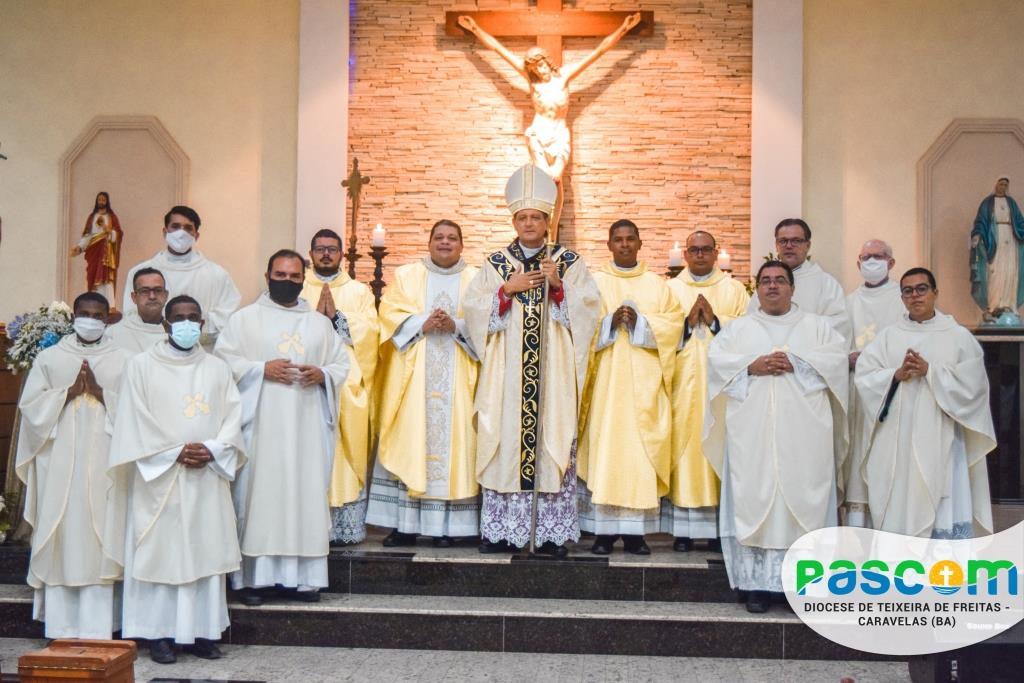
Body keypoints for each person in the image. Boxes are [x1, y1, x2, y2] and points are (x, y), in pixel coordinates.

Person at [464, 164, 600, 557]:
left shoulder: (568, 262)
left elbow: (590, 311)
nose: (528, 224)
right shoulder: (496, 264)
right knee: (504, 443)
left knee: (550, 441)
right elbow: (473, 312)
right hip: (506, 378)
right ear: (514, 221)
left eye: (535, 217)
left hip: (553, 376)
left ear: (546, 221)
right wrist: (506, 290)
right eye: (522, 217)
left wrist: (558, 288)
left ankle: (549, 534)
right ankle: (501, 531)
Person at [105, 295, 246, 664]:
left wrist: (213, 449)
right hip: (160, 479)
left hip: (206, 476)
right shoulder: (140, 366)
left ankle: (202, 631)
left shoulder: (217, 368)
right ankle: (159, 634)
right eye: (179, 317)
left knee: (204, 551)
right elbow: (132, 419)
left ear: (202, 324)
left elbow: (233, 417)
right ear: (166, 325)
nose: (186, 323)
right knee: (162, 554)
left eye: (193, 317)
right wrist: (172, 453)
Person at [705, 261, 847, 613]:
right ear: (757, 289)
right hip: (752, 435)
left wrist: (798, 363)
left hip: (805, 436)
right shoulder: (738, 330)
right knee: (755, 498)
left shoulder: (818, 327)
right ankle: (757, 586)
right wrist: (750, 366)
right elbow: (716, 363)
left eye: (780, 280)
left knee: (804, 499)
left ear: (792, 288)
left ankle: (804, 583)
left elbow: (836, 362)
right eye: (766, 281)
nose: (772, 286)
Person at [216, 249, 348, 605]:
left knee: (304, 497)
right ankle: (255, 581)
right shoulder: (244, 320)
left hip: (307, 427)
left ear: (303, 280)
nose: (287, 282)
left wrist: (322, 374)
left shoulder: (319, 324)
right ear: (267, 276)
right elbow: (224, 362)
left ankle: (303, 580)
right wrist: (261, 369)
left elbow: (341, 364)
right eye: (280, 275)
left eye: (294, 277)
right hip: (260, 427)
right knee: (259, 498)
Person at [456, 12, 642, 227]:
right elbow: (499, 50)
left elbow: (599, 51)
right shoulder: (532, 82)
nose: (540, 71)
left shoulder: (564, 76)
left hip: (559, 135)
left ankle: (551, 233)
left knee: (556, 179)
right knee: (545, 180)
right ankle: (542, 229)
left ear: (547, 61)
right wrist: (475, 29)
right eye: (535, 69)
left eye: (542, 65)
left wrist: (624, 28)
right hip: (538, 133)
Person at [16, 292, 129, 638]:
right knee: (61, 531)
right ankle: (61, 625)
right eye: (84, 313)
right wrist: (67, 393)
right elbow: (30, 408)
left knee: (103, 534)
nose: (91, 320)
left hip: (106, 464)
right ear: (73, 316)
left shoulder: (124, 359)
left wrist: (101, 393)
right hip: (59, 463)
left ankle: (102, 626)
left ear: (108, 319)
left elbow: (137, 410)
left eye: (98, 315)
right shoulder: (50, 358)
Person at [854, 268, 995, 539]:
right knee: (900, 497)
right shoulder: (888, 336)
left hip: (943, 437)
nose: (915, 296)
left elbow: (974, 385)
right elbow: (864, 377)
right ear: (902, 298)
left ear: (935, 293)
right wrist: (896, 375)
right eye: (908, 291)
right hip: (898, 441)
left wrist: (930, 371)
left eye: (921, 289)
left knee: (942, 494)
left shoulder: (957, 336)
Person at [366, 220, 481, 546]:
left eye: (452, 238)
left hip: (459, 381)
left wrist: (457, 326)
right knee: (410, 441)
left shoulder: (475, 279)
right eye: (439, 237)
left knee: (456, 446)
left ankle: (450, 529)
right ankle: (404, 526)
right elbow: (388, 314)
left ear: (462, 245)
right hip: (413, 381)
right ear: (429, 243)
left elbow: (488, 324)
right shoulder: (408, 276)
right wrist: (422, 323)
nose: (445, 243)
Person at [577, 220, 682, 555]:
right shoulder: (594, 283)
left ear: (640, 243)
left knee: (639, 454)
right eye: (618, 240)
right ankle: (604, 533)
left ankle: (636, 535)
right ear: (609, 245)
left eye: (630, 239)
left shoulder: (658, 285)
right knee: (606, 451)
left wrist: (643, 324)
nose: (624, 245)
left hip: (645, 384)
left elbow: (674, 325)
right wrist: (609, 322)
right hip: (605, 386)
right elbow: (579, 325)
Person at [663, 230, 749, 552]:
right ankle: (682, 532)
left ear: (715, 253)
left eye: (706, 249)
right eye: (694, 250)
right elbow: (659, 329)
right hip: (682, 384)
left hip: (721, 387)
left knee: (719, 445)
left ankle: (717, 530)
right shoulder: (670, 289)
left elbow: (750, 330)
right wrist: (685, 324)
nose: (700, 255)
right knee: (684, 449)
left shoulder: (734, 290)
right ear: (685, 255)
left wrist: (716, 321)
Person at [300, 228, 379, 546]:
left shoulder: (359, 291)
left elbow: (372, 331)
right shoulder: (297, 287)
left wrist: (338, 318)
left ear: (341, 254)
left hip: (347, 382)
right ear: (310, 254)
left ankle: (344, 526)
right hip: (304, 381)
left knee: (344, 451)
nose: (326, 254)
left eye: (331, 249)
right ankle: (307, 525)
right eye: (320, 249)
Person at [843, 240, 904, 527]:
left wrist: (875, 361)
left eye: (877, 256)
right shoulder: (849, 302)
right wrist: (847, 357)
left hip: (891, 389)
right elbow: (837, 341)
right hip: (857, 389)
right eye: (865, 257)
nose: (871, 262)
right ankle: (857, 527)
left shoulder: (902, 298)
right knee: (858, 454)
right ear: (858, 263)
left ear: (891, 263)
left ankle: (888, 525)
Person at [122, 206, 240, 348]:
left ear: (196, 235)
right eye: (175, 226)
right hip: (150, 348)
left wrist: (192, 328)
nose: (181, 233)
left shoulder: (217, 274)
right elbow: (131, 316)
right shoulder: (139, 272)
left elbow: (228, 317)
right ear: (165, 232)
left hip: (200, 351)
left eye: (188, 228)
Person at [748, 219, 850, 342]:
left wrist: (797, 329)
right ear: (776, 245)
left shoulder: (827, 284)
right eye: (783, 241)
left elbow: (840, 326)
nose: (789, 246)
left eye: (796, 241)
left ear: (808, 245)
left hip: (808, 351)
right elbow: (750, 323)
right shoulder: (766, 284)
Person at [970, 177, 1024, 321]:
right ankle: (993, 306)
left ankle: (1010, 305)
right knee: (995, 271)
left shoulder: (1011, 203)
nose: (1003, 187)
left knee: (1010, 271)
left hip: (1011, 240)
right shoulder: (987, 203)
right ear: (996, 185)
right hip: (994, 239)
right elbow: (981, 221)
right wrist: (977, 235)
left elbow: (1020, 221)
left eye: (1006, 185)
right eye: (1001, 184)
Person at [69, 192, 123, 304]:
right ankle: (93, 302)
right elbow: (87, 236)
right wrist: (79, 247)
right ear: (96, 201)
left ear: (107, 201)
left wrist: (109, 231)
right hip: (93, 251)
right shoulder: (92, 217)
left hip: (106, 252)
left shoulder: (112, 217)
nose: (101, 202)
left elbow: (118, 234)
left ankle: (108, 304)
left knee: (106, 278)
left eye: (103, 200)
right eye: (99, 200)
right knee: (92, 275)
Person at [105, 267, 169, 353]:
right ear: (134, 297)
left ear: (166, 295)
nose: (152, 296)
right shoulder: (114, 333)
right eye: (145, 291)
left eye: (158, 290)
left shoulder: (177, 332)